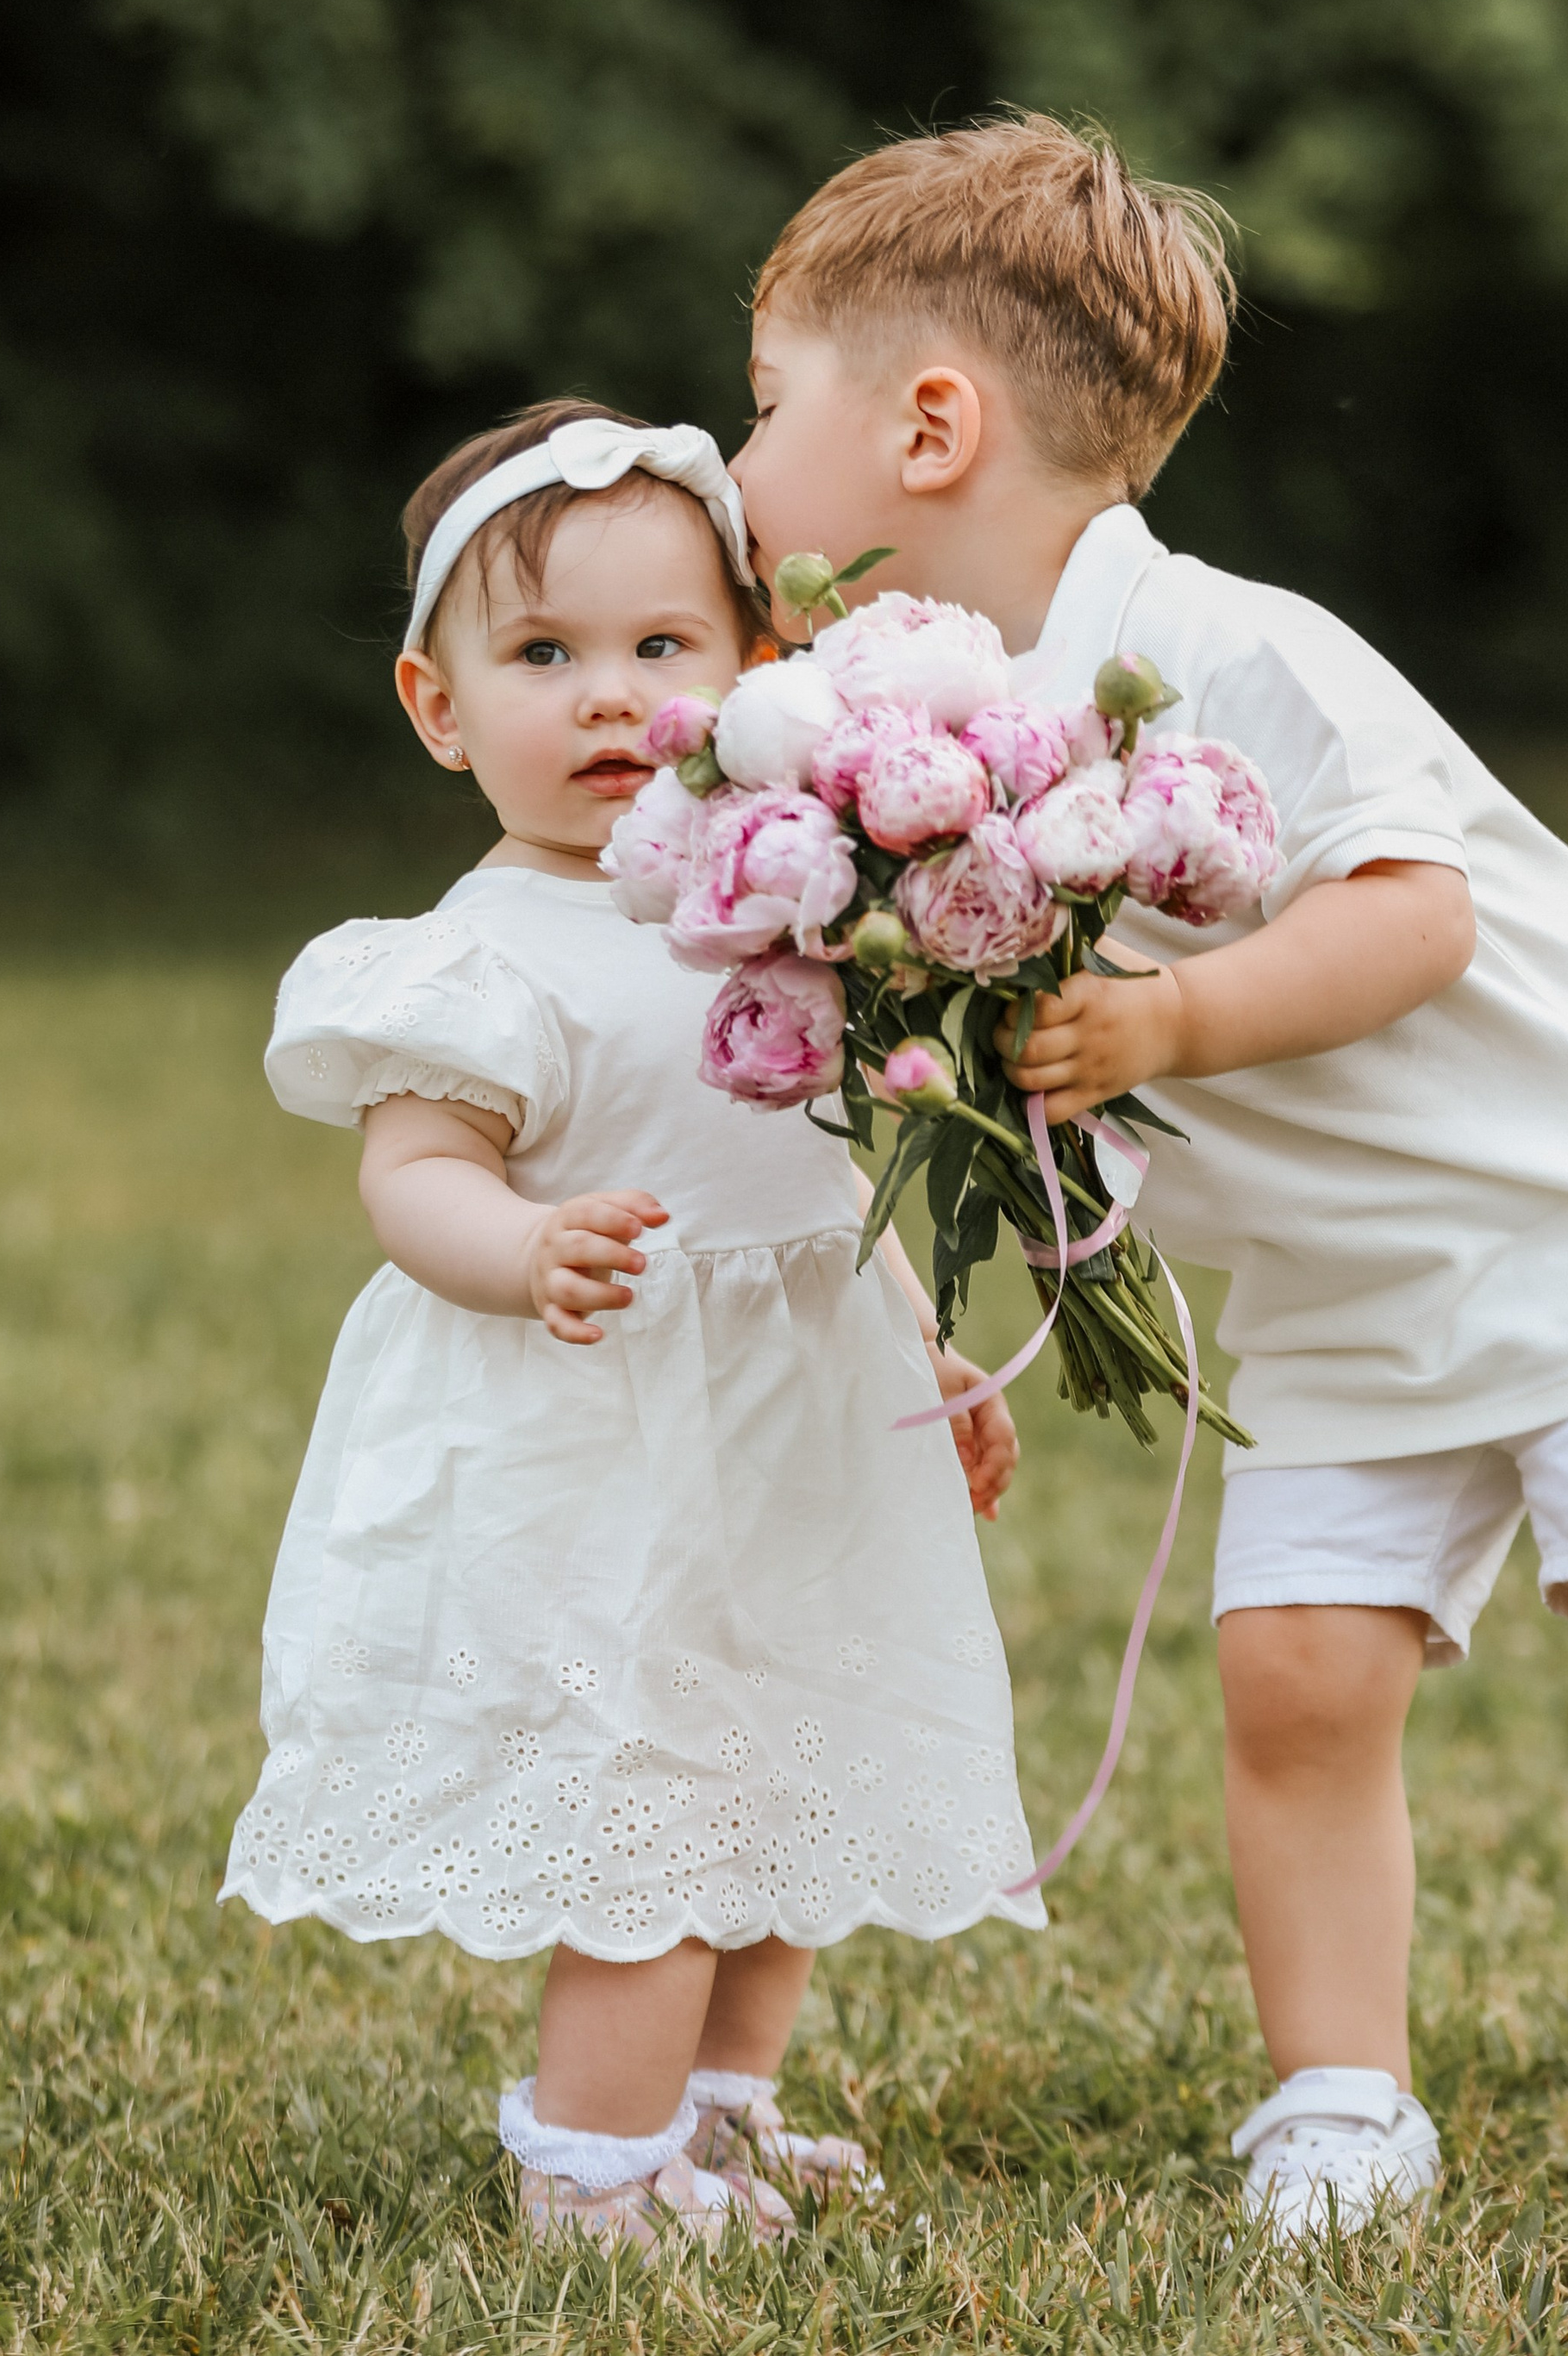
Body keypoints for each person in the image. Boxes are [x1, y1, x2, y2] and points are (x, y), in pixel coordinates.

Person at [725, 117, 1568, 2239]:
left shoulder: (1233, 650)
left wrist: (1173, 1026)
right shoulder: (883, 737)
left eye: (768, 409)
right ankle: (1336, 2096)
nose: (738, 462)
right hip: (1331, 1282)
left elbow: (1414, 916)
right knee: (1298, 1677)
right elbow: (919, 1066)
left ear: (930, 423)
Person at [222, 397, 1039, 2260]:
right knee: (653, 1793)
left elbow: (826, 1174)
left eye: (661, 647)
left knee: (790, 1762)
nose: (608, 698)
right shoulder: (477, 952)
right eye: (544, 655)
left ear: (756, 669)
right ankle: (591, 2168)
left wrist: (912, 1342)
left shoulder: (770, 913)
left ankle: (716, 2107)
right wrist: (517, 1246)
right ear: (439, 705)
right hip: (599, 1437)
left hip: (791, 1422)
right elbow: (413, 1171)